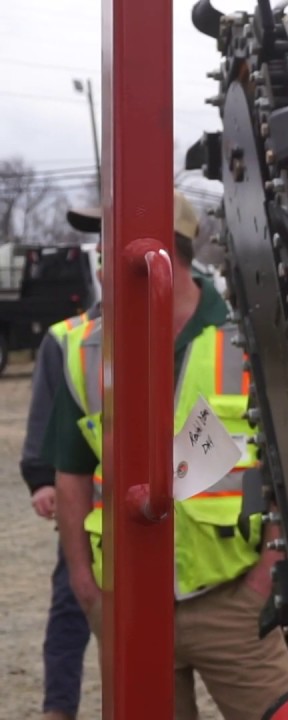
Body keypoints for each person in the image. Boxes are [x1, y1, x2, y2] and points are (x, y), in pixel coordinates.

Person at [43, 190, 288, 720]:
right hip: (128, 604)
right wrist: (85, 586)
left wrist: (265, 577)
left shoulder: (248, 339)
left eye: (110, 244)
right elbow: (70, 477)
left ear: (158, 254)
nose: (98, 259)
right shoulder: (82, 347)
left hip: (231, 600)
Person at [21, 208, 101, 720]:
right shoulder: (67, 339)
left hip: (171, 508)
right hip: (86, 502)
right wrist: (41, 478)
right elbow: (44, 415)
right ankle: (58, 708)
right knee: (71, 603)